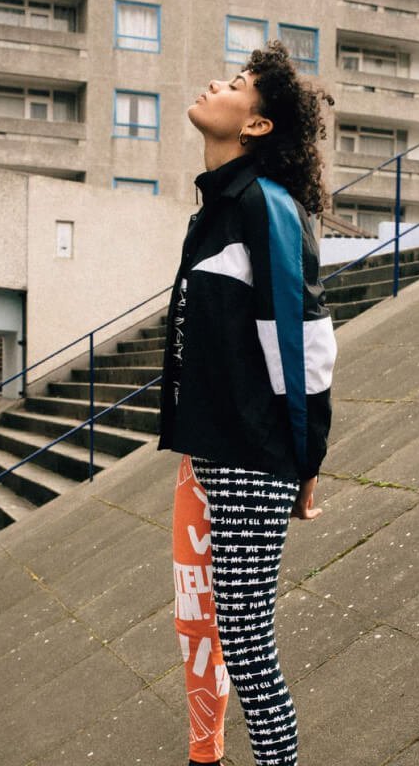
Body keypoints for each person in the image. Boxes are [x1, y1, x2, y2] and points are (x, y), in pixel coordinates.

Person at [158, 40, 337, 766]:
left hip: (252, 456)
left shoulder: (265, 207)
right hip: (219, 450)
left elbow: (309, 346)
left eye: (234, 83)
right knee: (229, 630)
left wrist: (305, 462)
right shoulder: (221, 208)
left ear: (257, 125)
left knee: (246, 640)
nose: (215, 83)